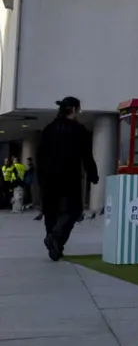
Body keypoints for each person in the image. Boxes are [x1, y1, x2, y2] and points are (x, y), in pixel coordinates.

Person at [37, 97, 99, 261]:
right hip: (69, 176)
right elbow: (87, 156)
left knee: (51, 211)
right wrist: (93, 174)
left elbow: (40, 156)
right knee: (73, 210)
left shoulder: (48, 129)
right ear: (74, 109)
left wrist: (40, 179)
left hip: (48, 178)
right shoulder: (79, 130)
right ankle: (56, 238)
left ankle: (55, 246)